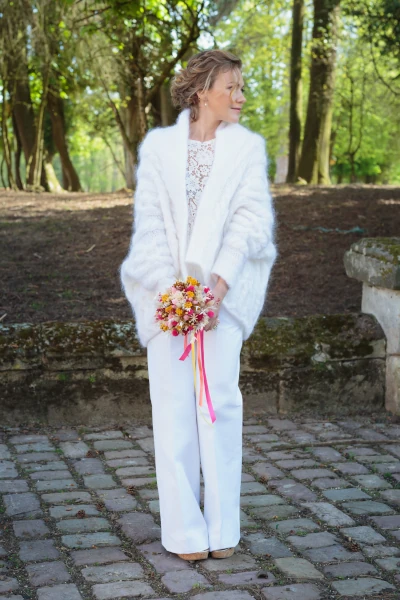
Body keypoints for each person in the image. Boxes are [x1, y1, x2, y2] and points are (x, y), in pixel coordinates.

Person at [119, 49, 278, 562]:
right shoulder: (160, 147)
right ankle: (185, 533)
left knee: (220, 407)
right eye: (230, 86)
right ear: (200, 91)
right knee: (172, 411)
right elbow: (148, 225)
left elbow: (251, 222)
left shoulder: (248, 149)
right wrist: (173, 295)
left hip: (221, 298)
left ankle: (223, 529)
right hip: (167, 299)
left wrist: (215, 289)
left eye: (242, 86)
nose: (240, 96)